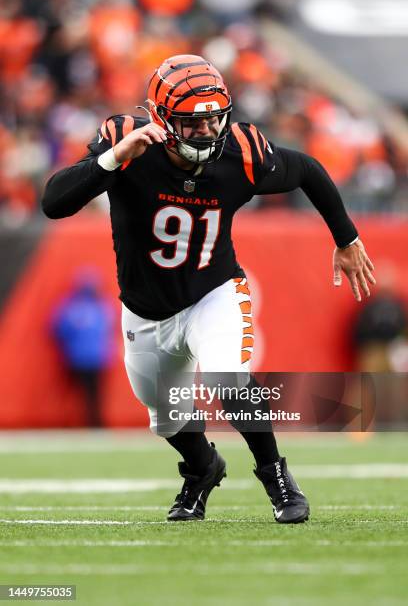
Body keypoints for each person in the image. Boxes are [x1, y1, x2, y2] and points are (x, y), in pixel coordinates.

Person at [41, 54, 376, 524]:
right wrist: (115, 159)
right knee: (167, 417)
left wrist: (346, 238)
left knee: (228, 382)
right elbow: (54, 202)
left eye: (214, 119)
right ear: (159, 118)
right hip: (144, 309)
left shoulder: (242, 151)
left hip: (212, 292)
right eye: (191, 122)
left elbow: (307, 170)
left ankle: (276, 476)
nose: (206, 131)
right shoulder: (125, 142)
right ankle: (202, 470)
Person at [51, 269, 116, 427]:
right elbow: (110, 329)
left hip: (76, 357)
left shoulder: (68, 307)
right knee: (94, 393)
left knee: (76, 393)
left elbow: (59, 330)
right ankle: (95, 423)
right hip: (98, 358)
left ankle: (74, 422)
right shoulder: (103, 307)